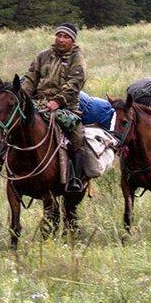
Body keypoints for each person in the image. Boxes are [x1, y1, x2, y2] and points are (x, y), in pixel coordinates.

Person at [20, 23, 88, 192]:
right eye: (59, 35)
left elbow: (75, 83)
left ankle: (75, 178)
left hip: (66, 107)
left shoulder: (77, 58)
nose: (61, 39)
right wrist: (21, 97)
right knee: (11, 123)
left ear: (72, 40)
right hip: (38, 103)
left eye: (66, 37)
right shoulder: (42, 56)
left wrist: (58, 101)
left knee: (77, 136)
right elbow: (30, 79)